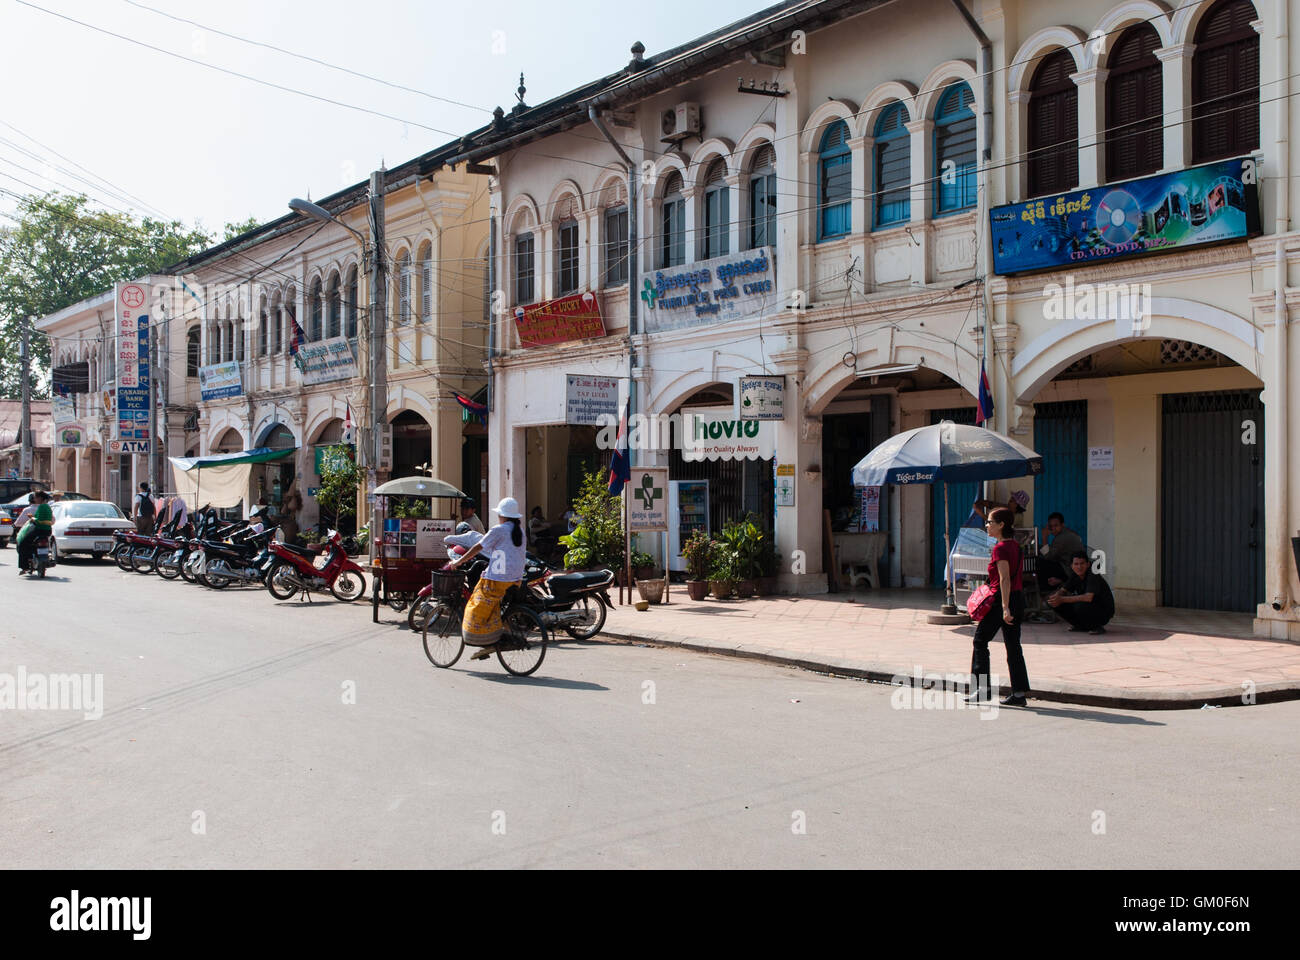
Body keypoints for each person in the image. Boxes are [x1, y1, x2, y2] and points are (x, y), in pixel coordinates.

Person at [446, 497, 527, 661]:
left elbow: (478, 547)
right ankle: (495, 633)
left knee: (473, 608)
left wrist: (458, 561)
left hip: (498, 578)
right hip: (516, 578)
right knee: (491, 605)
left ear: (502, 516)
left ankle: (487, 642)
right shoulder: (520, 531)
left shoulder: (499, 530)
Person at [968, 507, 1031, 707]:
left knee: (980, 641)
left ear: (1001, 525)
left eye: (990, 522)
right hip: (1018, 599)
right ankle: (1019, 694)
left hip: (1002, 601)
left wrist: (1005, 607)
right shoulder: (1016, 546)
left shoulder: (1000, 548)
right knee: (1013, 646)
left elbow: (1004, 579)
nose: (987, 525)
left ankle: (982, 690)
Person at [1049, 550, 1116, 634]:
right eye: (1076, 564)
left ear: (1087, 564)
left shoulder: (1093, 574)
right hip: (1088, 606)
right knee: (1054, 602)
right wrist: (1055, 597)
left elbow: (1088, 597)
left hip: (1103, 611)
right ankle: (1079, 625)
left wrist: (1062, 599)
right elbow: (1063, 590)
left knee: (1080, 605)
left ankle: (1097, 626)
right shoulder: (1075, 575)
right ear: (1072, 566)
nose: (1079, 567)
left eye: (1082, 564)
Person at [1037, 512, 1086, 593]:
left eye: (1056, 525)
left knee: (1041, 563)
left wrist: (1044, 537)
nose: (1053, 528)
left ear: (1062, 525)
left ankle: (1046, 592)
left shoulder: (1062, 538)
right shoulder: (1068, 533)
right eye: (1051, 526)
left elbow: (1048, 556)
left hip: (1071, 570)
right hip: (1073, 567)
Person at [15, 490, 54, 574]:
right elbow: (51, 520)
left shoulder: (41, 507)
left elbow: (38, 520)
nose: (34, 499)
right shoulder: (48, 507)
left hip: (39, 530)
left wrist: (31, 517)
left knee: (22, 544)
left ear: (40, 498)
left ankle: (24, 566)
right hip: (48, 531)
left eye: (35, 497)